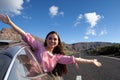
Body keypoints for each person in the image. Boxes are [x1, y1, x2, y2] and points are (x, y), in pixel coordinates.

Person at [0, 14, 102, 80]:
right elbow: (25, 35)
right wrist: (10, 23)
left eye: (55, 39)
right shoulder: (39, 46)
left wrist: (91, 61)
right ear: (46, 40)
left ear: (58, 42)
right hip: (30, 77)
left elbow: (74, 59)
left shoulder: (57, 57)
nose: (52, 41)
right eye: (50, 38)